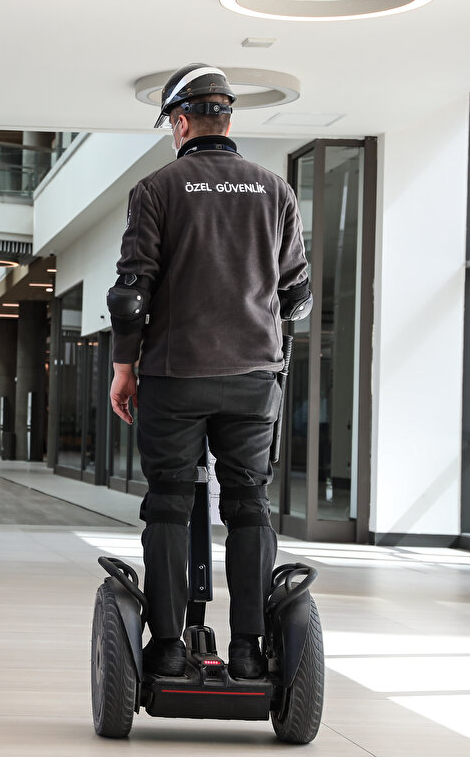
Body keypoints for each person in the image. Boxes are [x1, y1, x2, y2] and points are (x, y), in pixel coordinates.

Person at [106, 63, 312, 680]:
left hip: (176, 375)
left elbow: (131, 295)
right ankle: (248, 649)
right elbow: (297, 294)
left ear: (179, 122)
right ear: (227, 118)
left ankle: (169, 647)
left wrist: (124, 368)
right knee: (248, 502)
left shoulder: (157, 189)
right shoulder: (276, 190)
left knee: (169, 503)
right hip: (254, 377)